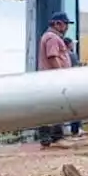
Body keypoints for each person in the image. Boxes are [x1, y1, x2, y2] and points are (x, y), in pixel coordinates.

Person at [36, 12, 73, 148]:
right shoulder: (52, 37)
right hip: (53, 78)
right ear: (57, 24)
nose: (67, 27)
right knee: (55, 106)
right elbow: (52, 56)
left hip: (50, 78)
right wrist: (61, 73)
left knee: (52, 107)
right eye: (65, 24)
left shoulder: (50, 36)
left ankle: (51, 137)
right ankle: (53, 137)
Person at [63, 36, 84, 138]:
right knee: (76, 108)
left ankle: (67, 129)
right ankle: (75, 130)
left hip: (64, 85)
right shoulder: (72, 55)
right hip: (73, 84)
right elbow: (76, 69)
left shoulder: (62, 55)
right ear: (69, 44)